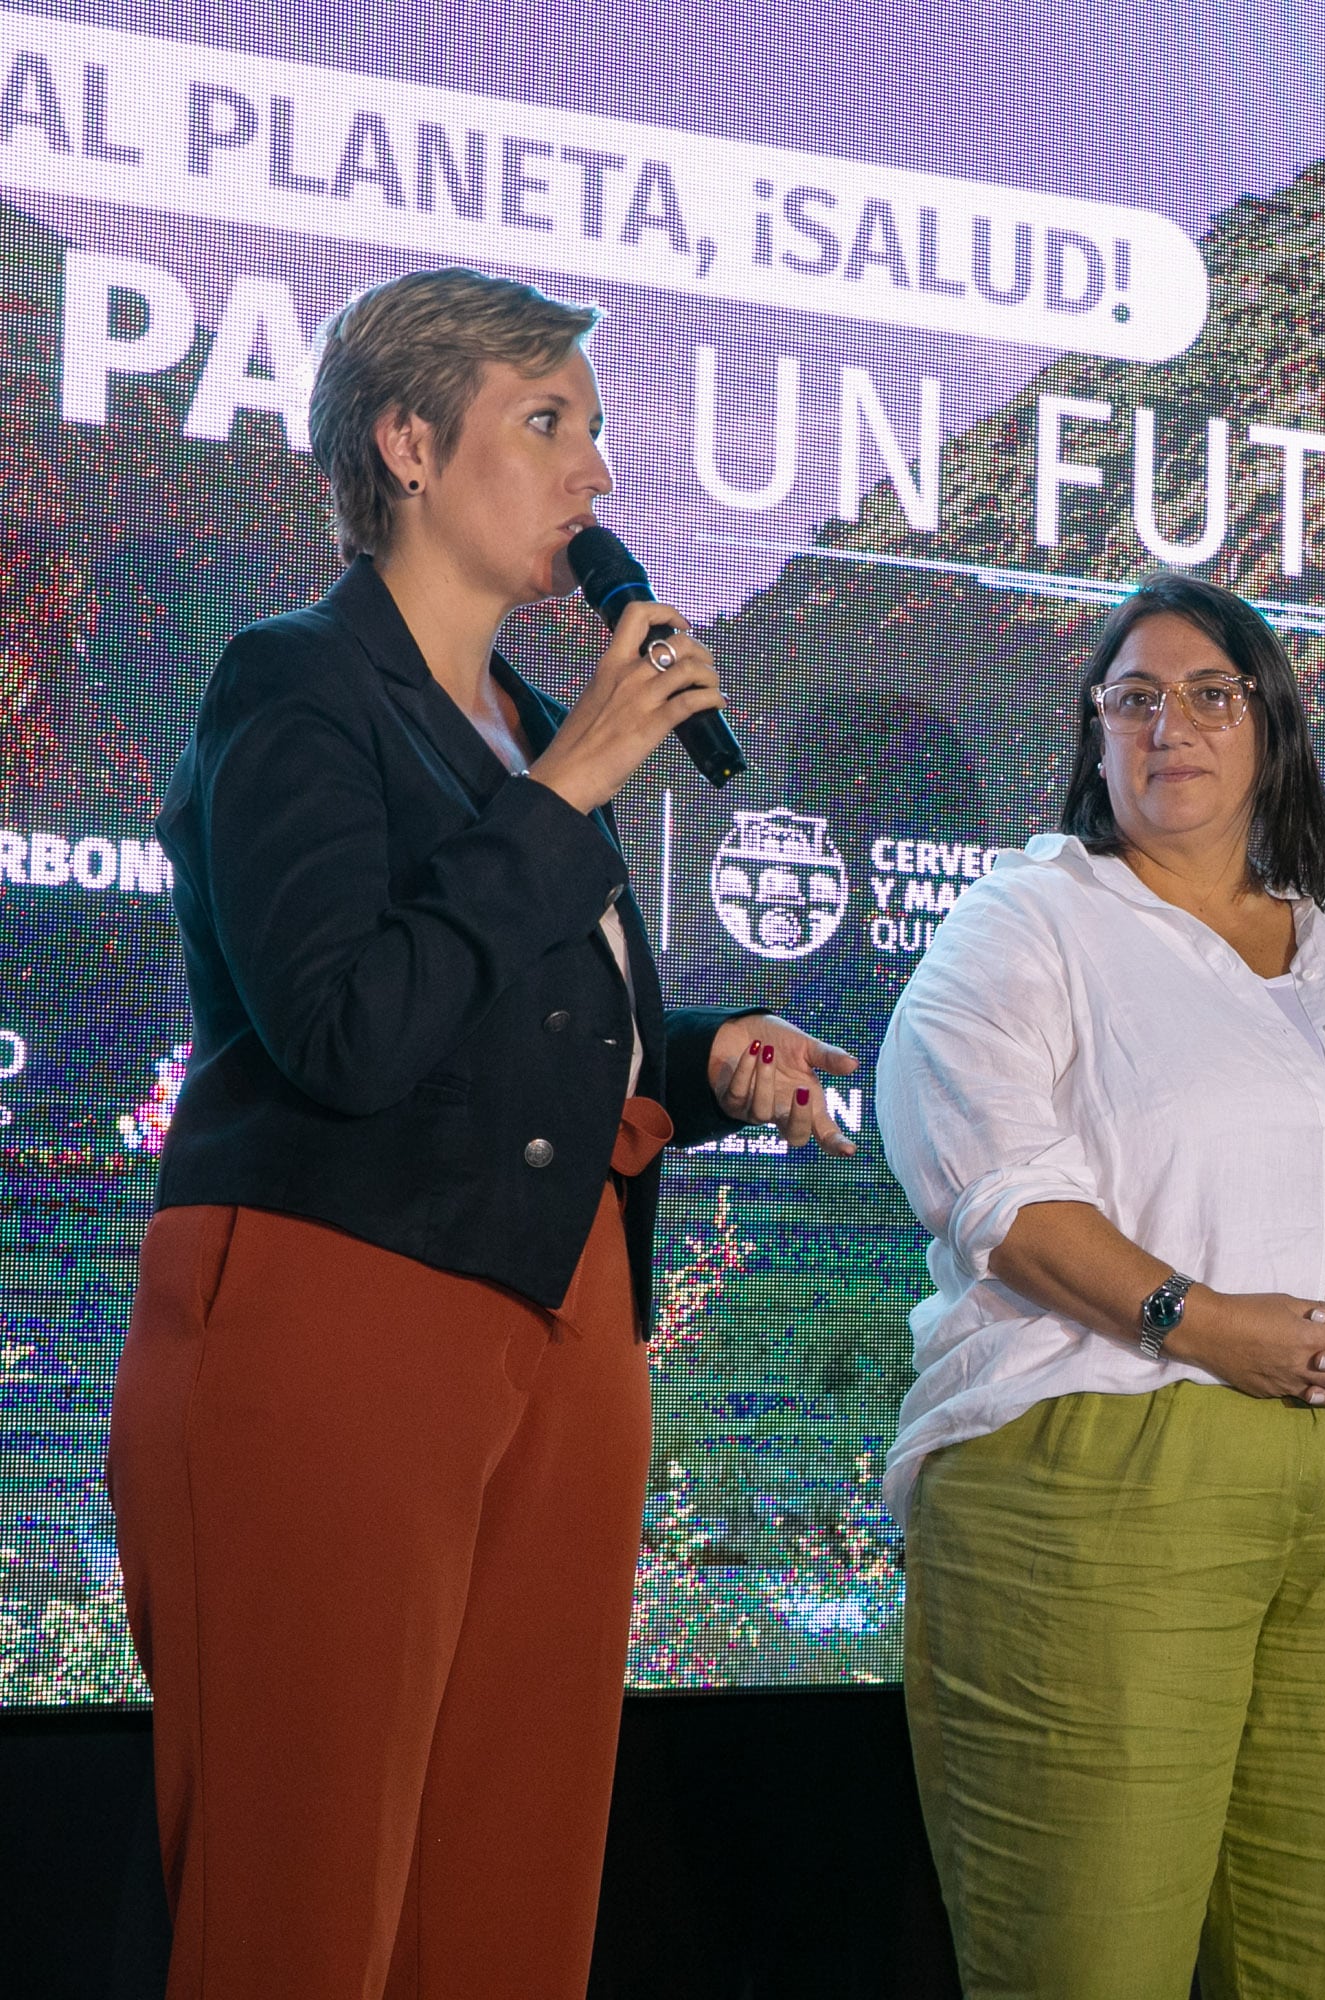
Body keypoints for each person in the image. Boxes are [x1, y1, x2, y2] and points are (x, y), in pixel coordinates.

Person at [103, 266, 858, 2000]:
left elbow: (501, 1034)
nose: (596, 476)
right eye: (549, 424)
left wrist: (700, 1057)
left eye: (592, 431)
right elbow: (347, 1026)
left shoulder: (524, 721)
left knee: (510, 1911)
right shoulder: (295, 685)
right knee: (298, 1917)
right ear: (409, 443)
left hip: (557, 1326)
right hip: (332, 1322)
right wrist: (565, 794)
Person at [874, 573, 1325, 1998]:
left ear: (1272, 733)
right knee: (1089, 1953)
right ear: (1093, 735)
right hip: (1110, 1459)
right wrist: (1204, 1323)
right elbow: (995, 1186)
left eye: (1208, 695)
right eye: (1133, 698)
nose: (1167, 724)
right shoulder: (1028, 923)